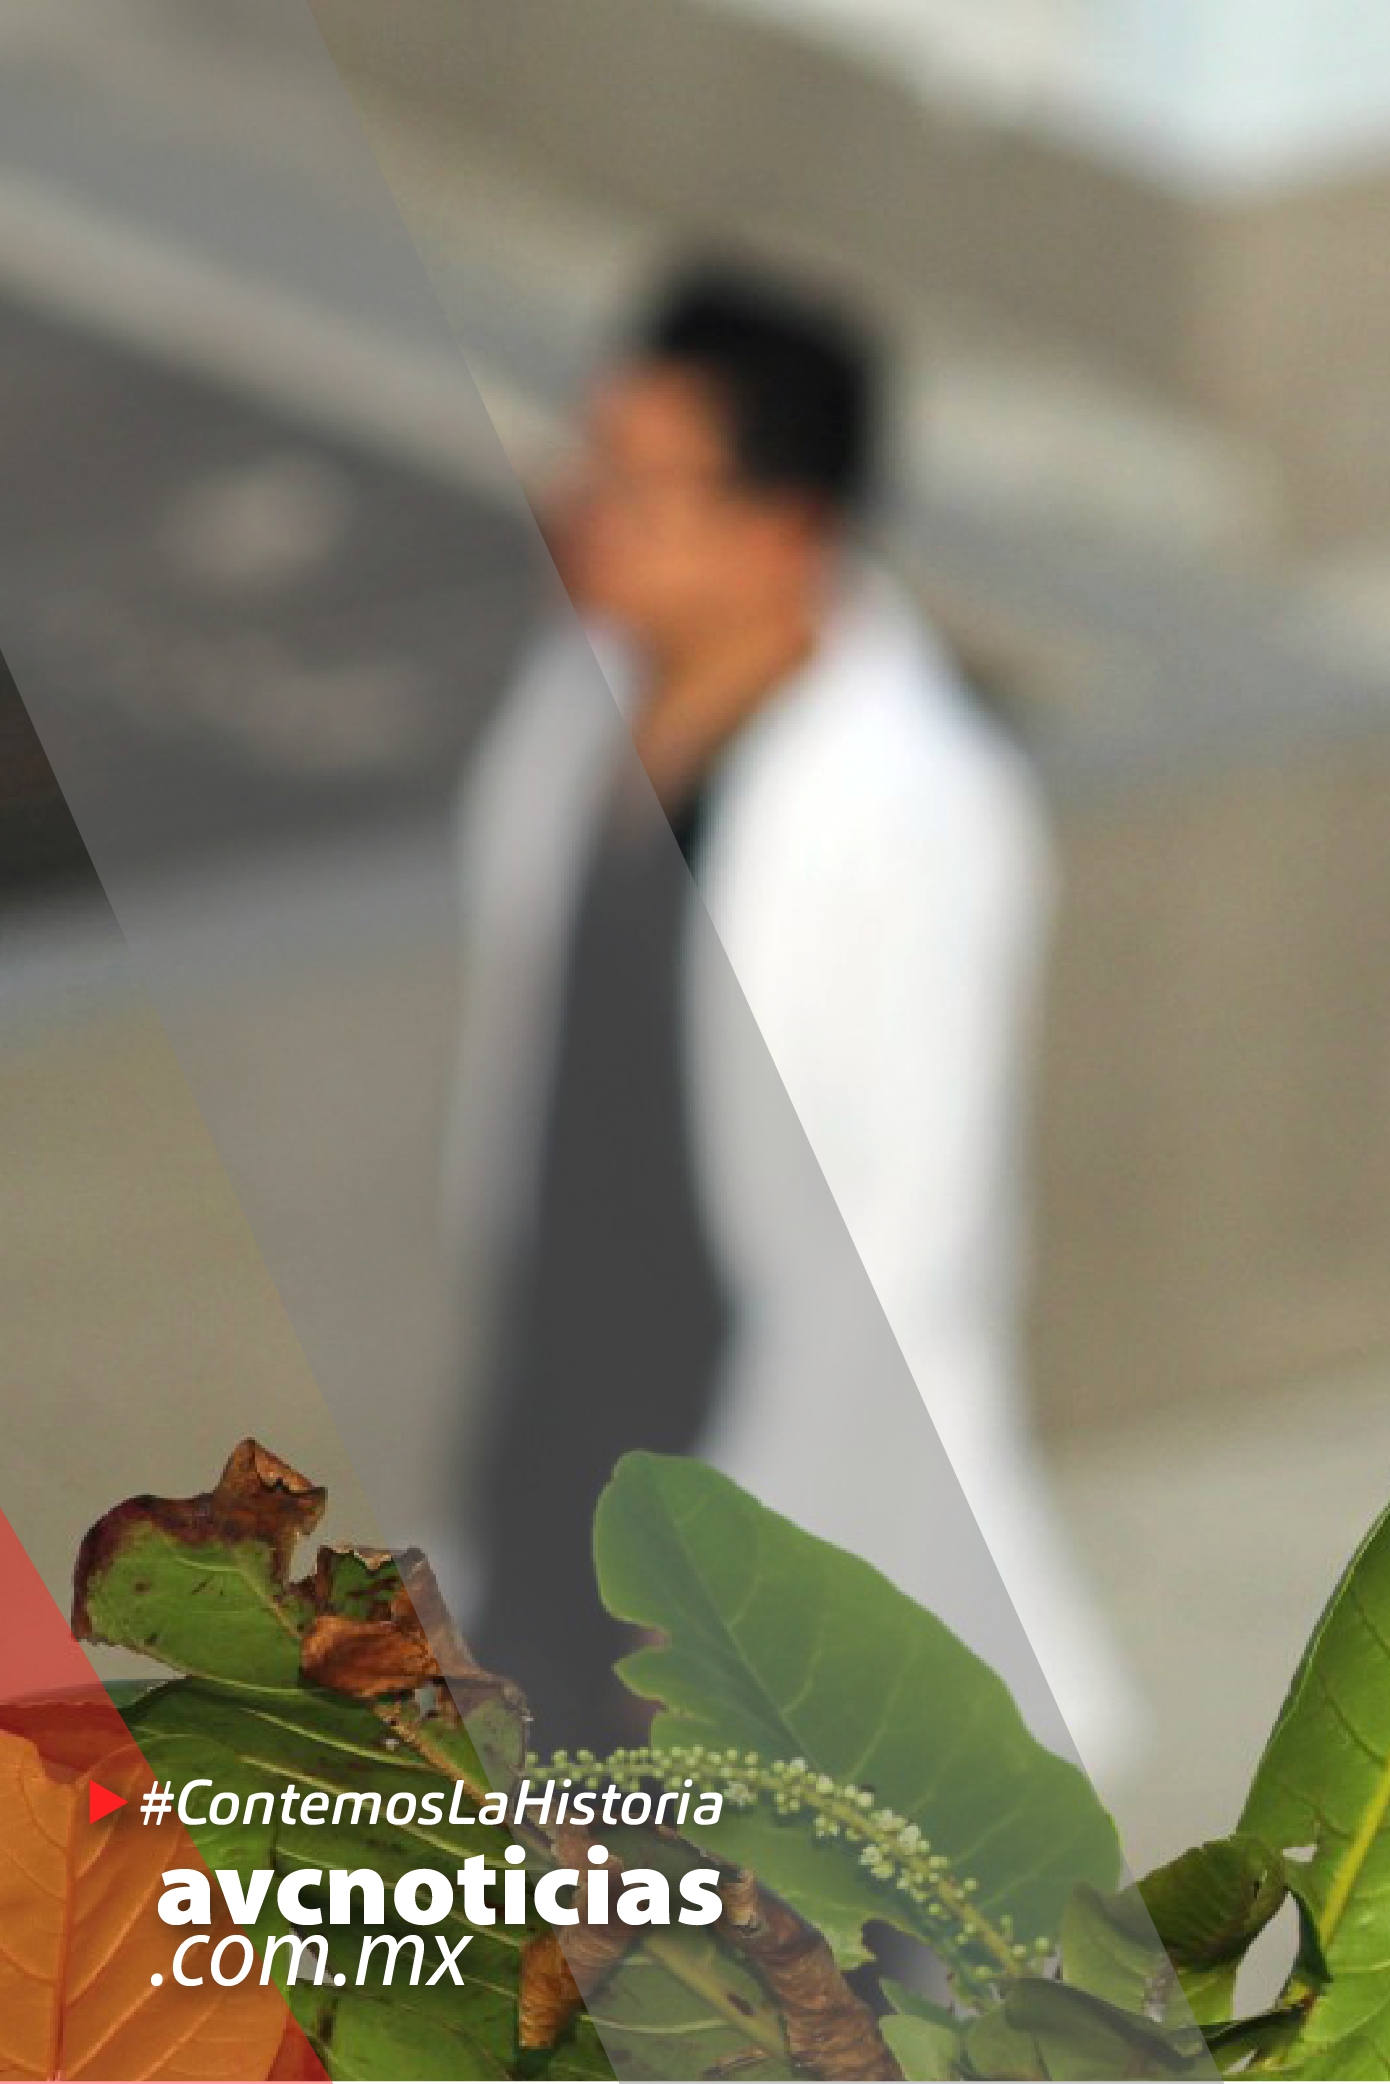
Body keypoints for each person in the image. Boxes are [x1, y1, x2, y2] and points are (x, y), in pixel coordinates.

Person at [443, 262, 1135, 1771]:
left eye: (642, 483)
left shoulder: (912, 806)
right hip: (570, 1425)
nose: (586, 505)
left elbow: (906, 1224)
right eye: (591, 460)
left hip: (745, 1461)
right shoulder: (584, 696)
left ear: (786, 526)